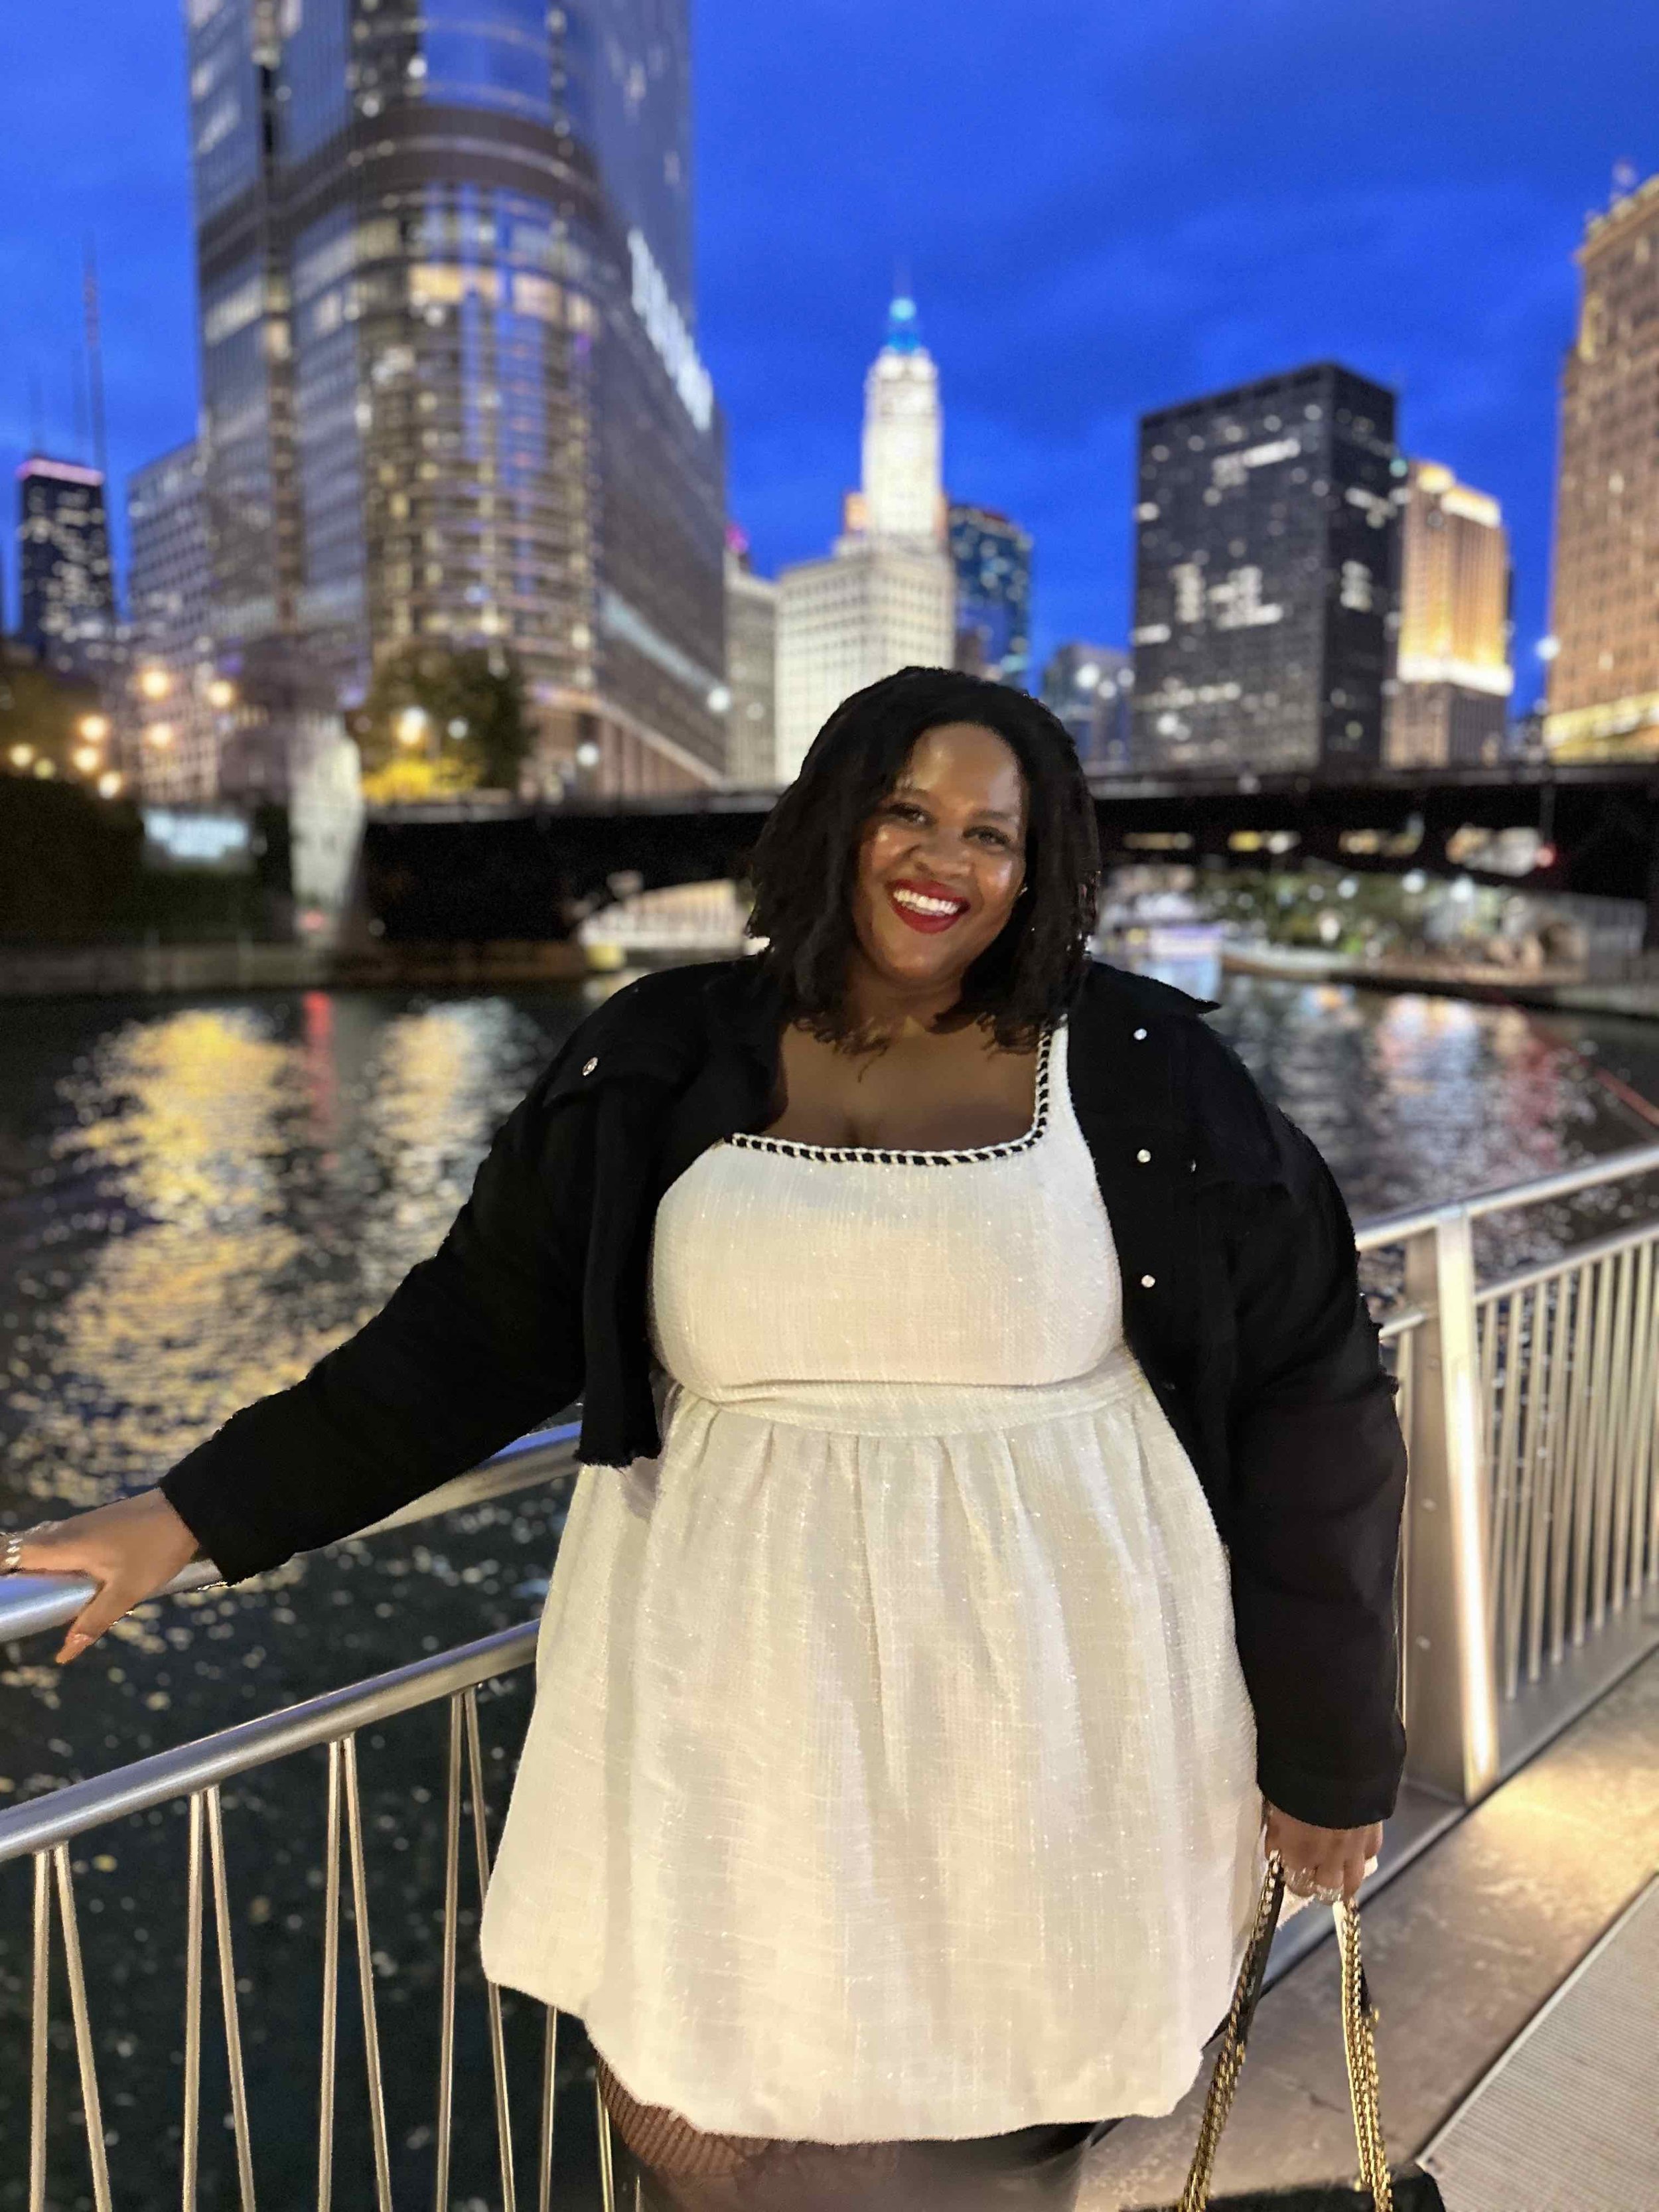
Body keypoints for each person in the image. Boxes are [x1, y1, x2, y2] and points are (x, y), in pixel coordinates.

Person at [2, 668, 1406, 2211]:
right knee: (704, 2103)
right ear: (833, 820)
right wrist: (187, 1512)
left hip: (1043, 1718)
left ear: (1040, 863)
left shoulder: (1144, 1069)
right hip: (725, 1702)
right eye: (905, 812)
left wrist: (1328, 1745)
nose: (943, 861)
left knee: (982, 2122)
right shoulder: (658, 1054)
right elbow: (463, 1340)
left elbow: (1311, 1388)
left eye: (991, 836)